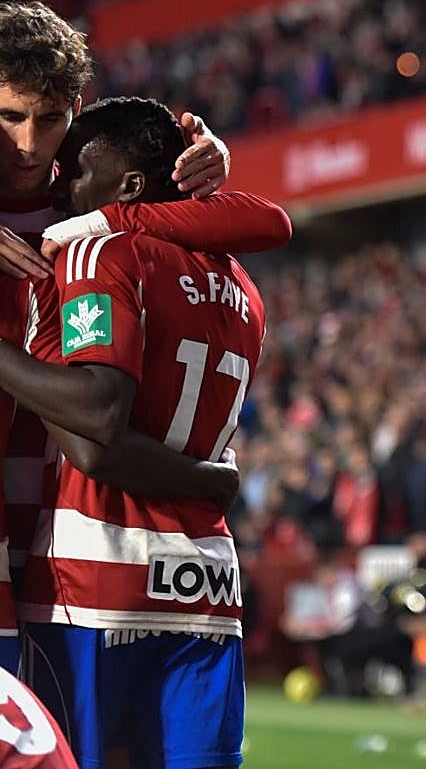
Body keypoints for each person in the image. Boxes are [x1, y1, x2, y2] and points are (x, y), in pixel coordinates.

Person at [0, 0, 290, 675]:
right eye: (10, 117)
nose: (29, 144)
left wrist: (194, 176)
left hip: (61, 509)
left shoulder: (85, 199)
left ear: (76, 108)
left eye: (50, 121)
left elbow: (268, 224)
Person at [0, 96, 268, 769]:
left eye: (79, 166)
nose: (63, 180)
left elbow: (95, 433)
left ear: (128, 187)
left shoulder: (98, 249)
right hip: (207, 586)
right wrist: (215, 479)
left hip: (98, 571)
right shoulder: (243, 286)